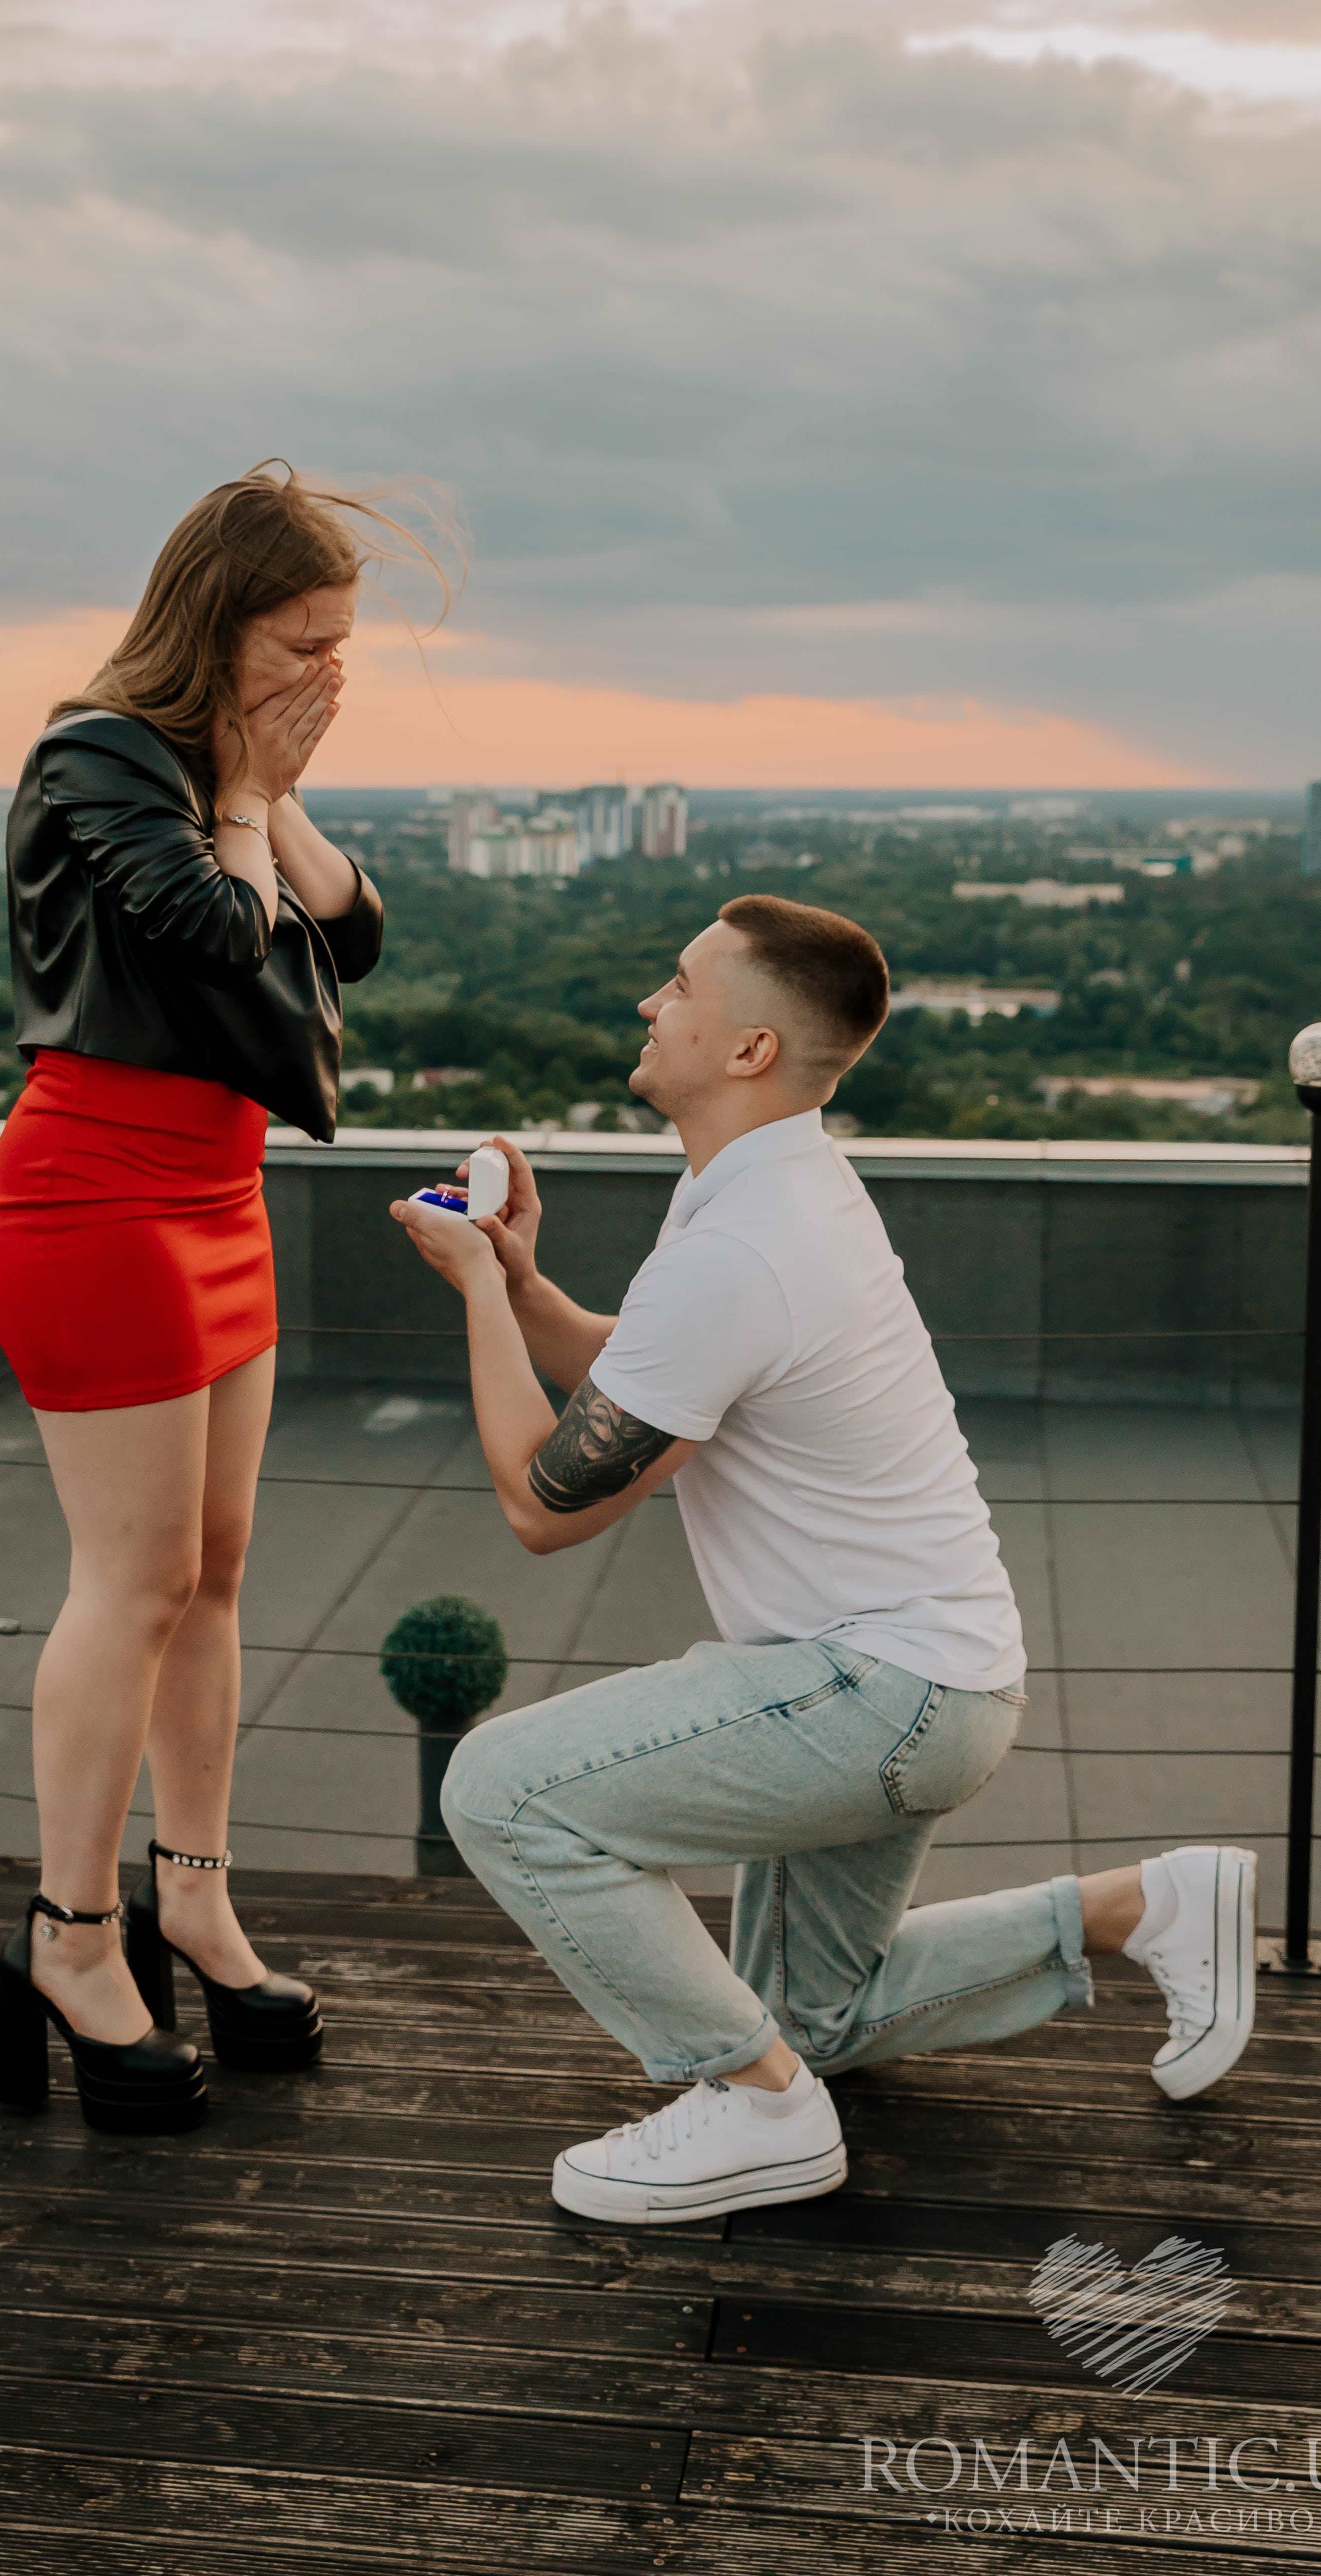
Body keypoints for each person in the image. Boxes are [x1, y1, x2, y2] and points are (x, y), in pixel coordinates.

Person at [391, 896, 1257, 2223]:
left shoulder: (747, 1243)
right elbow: (654, 1378)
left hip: (876, 1694)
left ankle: (758, 2109)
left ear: (749, 1048)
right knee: (813, 2013)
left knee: (505, 1792)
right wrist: (516, 1284)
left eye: (680, 986)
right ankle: (1144, 1908)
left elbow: (544, 1503)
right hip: (924, 1680)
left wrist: (470, 1295)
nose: (649, 1004)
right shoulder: (773, 1187)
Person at [0, 464, 437, 2135]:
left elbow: (351, 932)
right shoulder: (100, 750)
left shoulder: (224, 772)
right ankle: (72, 1934)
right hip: (94, 1197)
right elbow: (217, 928)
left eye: (343, 642)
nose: (329, 670)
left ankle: (195, 1901)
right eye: (302, 640)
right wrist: (243, 785)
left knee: (215, 1573)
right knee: (137, 1578)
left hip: (216, 1194)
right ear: (218, 624)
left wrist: (271, 782)